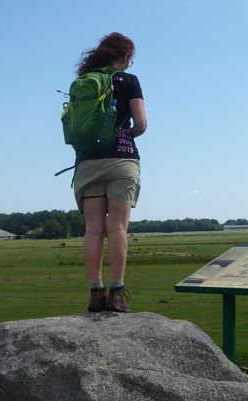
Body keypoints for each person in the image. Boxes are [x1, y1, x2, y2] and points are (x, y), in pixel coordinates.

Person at [72, 32, 147, 313]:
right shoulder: (129, 81)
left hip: (88, 162)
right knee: (117, 228)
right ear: (126, 56)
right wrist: (123, 134)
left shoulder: (83, 83)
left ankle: (95, 293)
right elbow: (141, 124)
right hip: (122, 161)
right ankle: (117, 294)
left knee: (93, 230)